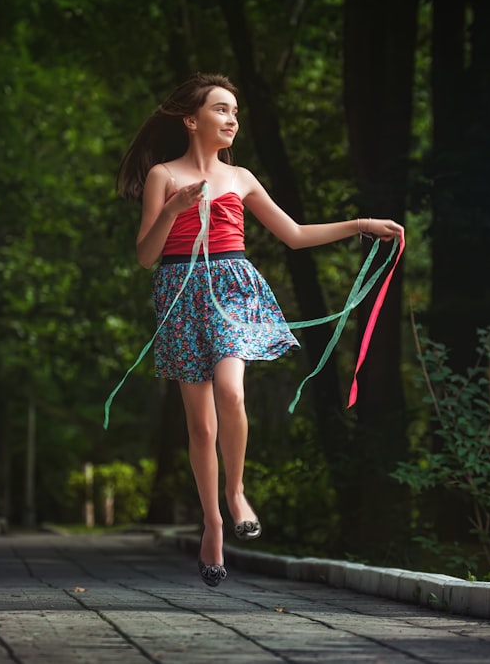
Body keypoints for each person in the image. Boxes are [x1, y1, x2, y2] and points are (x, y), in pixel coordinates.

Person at [116, 72, 404, 587]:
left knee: (230, 391)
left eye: (235, 112)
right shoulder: (163, 175)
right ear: (191, 120)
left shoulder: (241, 177)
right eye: (221, 110)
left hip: (233, 291)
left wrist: (361, 225)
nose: (232, 119)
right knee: (200, 428)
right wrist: (175, 210)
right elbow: (145, 257)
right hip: (181, 295)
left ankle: (236, 492)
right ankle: (212, 526)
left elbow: (293, 235)